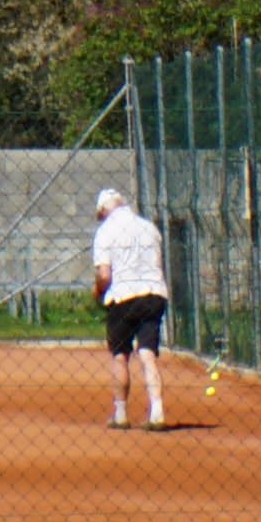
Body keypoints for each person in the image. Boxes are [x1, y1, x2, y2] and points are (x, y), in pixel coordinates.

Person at [89, 185, 172, 431]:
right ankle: (157, 412)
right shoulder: (150, 228)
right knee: (147, 354)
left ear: (104, 210)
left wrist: (98, 291)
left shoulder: (106, 232)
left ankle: (121, 413)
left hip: (123, 296)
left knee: (120, 355)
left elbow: (104, 275)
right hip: (154, 294)